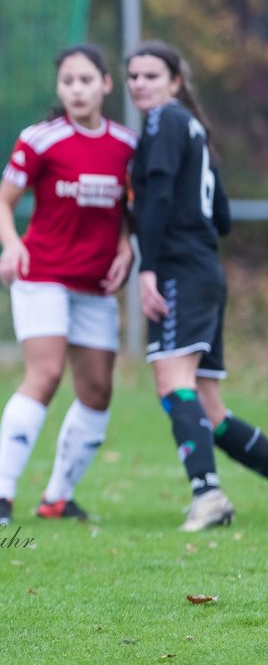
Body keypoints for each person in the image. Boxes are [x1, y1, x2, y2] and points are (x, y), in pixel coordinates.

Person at [0, 44, 137, 527]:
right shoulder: (39, 139)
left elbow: (127, 215)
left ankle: (58, 497)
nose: (77, 89)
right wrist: (12, 244)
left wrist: (127, 249)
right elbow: (0, 206)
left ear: (106, 84)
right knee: (45, 375)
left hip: (94, 285)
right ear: (59, 87)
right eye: (68, 81)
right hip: (42, 276)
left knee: (97, 390)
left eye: (86, 80)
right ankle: (0, 498)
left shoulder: (128, 146)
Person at [126, 39, 268, 532]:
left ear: (175, 82)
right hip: (206, 268)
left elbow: (161, 194)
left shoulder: (164, 122)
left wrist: (148, 265)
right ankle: (215, 487)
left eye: (151, 75)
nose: (140, 83)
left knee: (172, 382)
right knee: (211, 408)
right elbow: (224, 217)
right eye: (133, 76)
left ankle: (208, 496)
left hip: (180, 270)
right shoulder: (195, 130)